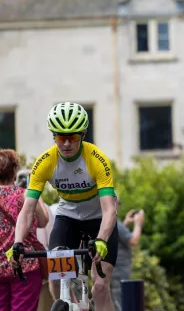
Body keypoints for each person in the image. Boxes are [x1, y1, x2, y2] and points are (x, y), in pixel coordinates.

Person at [9, 102, 118, 311]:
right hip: (68, 217)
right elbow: (28, 209)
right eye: (61, 137)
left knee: (100, 287)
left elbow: (109, 209)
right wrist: (18, 242)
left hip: (99, 220)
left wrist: (102, 240)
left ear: (83, 135)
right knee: (58, 275)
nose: (66, 143)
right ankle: (67, 305)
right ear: (54, 137)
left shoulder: (96, 159)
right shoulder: (45, 162)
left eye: (73, 137)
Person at [0, 149, 49, 311]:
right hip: (25, 264)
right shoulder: (26, 195)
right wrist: (34, 188)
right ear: (14, 171)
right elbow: (43, 221)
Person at [111, 195, 144, 311]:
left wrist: (126, 222)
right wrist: (138, 223)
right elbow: (133, 240)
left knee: (115, 303)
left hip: (113, 272)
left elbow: (118, 236)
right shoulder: (114, 221)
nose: (119, 205)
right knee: (120, 304)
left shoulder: (111, 222)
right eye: (118, 202)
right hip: (118, 272)